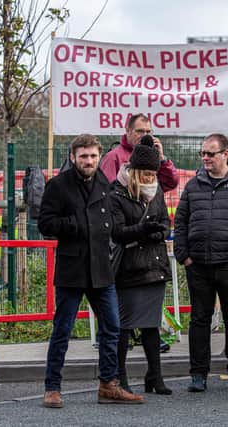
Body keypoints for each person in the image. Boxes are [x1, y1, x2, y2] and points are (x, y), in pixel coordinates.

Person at [39, 134, 144, 407]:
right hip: (72, 268)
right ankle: (52, 387)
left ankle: (109, 384)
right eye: (83, 156)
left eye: (93, 156)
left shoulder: (104, 184)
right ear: (73, 157)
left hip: (101, 267)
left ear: (99, 157)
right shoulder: (58, 186)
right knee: (62, 330)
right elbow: (46, 224)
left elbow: (111, 223)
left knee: (112, 327)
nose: (89, 161)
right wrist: (76, 224)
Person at [174, 133, 228, 393]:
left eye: (210, 153)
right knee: (199, 320)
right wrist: (184, 255)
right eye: (203, 153)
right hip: (198, 265)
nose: (205, 158)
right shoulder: (193, 186)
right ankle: (198, 374)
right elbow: (181, 222)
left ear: (226, 153)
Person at [110, 137, 173, 395]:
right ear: (134, 172)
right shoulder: (117, 193)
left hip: (154, 265)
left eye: (153, 174)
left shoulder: (156, 190)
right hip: (129, 267)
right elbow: (117, 231)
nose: (150, 179)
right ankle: (120, 377)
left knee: (151, 324)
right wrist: (142, 230)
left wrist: (160, 232)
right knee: (124, 326)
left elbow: (165, 221)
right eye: (146, 174)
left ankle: (154, 376)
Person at [100, 113, 179, 192]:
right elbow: (106, 190)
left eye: (148, 132)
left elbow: (171, 183)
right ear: (128, 131)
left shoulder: (154, 156)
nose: (144, 135)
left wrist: (162, 159)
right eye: (140, 131)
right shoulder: (113, 157)